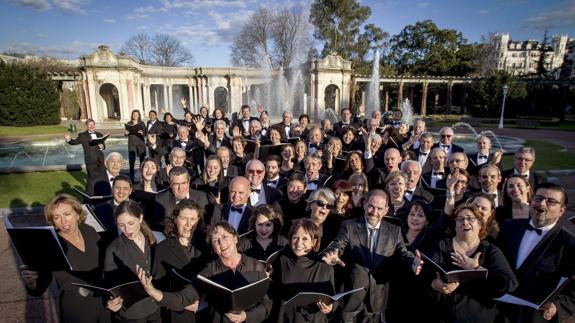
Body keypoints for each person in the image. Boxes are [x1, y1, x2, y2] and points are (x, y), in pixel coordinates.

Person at [322, 189, 423, 322]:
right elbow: (338, 244)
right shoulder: (349, 226)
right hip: (350, 298)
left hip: (376, 301)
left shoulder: (394, 231)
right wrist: (334, 254)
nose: (374, 212)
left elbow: (403, 253)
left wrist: (413, 262)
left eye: (379, 208)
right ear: (364, 204)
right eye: (371, 206)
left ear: (386, 210)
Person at [21, 194, 111, 323]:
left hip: (103, 302)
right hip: (76, 309)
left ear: (77, 214)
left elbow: (106, 264)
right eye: (57, 217)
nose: (63, 221)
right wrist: (30, 281)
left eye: (67, 214)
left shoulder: (89, 230)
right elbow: (39, 288)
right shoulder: (51, 245)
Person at [496, 183, 575, 323]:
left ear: (561, 210)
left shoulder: (569, 244)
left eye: (551, 201)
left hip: (532, 317)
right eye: (538, 198)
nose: (542, 204)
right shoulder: (509, 226)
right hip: (497, 311)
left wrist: (557, 307)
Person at [426, 204, 518, 323]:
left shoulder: (490, 251)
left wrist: (476, 268)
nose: (465, 222)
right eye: (460, 219)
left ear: (480, 225)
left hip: (480, 317)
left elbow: (510, 284)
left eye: (470, 218)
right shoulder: (441, 245)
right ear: (455, 225)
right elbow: (424, 276)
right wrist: (435, 284)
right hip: (443, 317)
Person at [199, 221, 272, 322]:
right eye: (215, 240)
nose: (222, 243)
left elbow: (266, 304)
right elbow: (192, 295)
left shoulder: (256, 266)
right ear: (213, 248)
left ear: (236, 238)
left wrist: (246, 316)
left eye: (225, 236)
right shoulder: (208, 271)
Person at [151, 200, 208, 323]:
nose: (188, 224)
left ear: (198, 221)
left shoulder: (207, 246)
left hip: (205, 314)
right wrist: (182, 302)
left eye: (193, 219)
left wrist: (202, 300)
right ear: (175, 219)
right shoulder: (162, 249)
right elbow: (157, 286)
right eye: (183, 218)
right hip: (177, 314)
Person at [270, 219, 335, 323]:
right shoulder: (281, 260)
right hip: (285, 319)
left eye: (305, 238)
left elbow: (331, 299)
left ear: (314, 242)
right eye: (295, 238)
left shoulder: (325, 266)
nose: (299, 243)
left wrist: (329, 308)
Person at [104, 200, 160, 322]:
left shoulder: (154, 240)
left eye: (131, 223)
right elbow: (111, 285)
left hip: (155, 307)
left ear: (140, 218)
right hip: (132, 314)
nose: (127, 229)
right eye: (121, 225)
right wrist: (111, 301)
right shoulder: (113, 249)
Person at [153, 166, 209, 232]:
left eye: (183, 183)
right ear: (170, 184)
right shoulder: (160, 200)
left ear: (189, 181)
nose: (180, 188)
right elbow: (158, 227)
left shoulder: (201, 197)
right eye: (176, 184)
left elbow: (205, 224)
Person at [125, 110, 147, 182]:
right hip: (132, 144)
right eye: (134, 114)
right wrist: (126, 133)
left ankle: (143, 178)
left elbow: (145, 133)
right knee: (132, 161)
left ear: (139, 115)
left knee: (142, 161)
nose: (135, 116)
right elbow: (126, 134)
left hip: (140, 143)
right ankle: (132, 178)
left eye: (136, 114)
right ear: (132, 115)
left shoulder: (142, 123)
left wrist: (142, 132)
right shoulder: (129, 123)